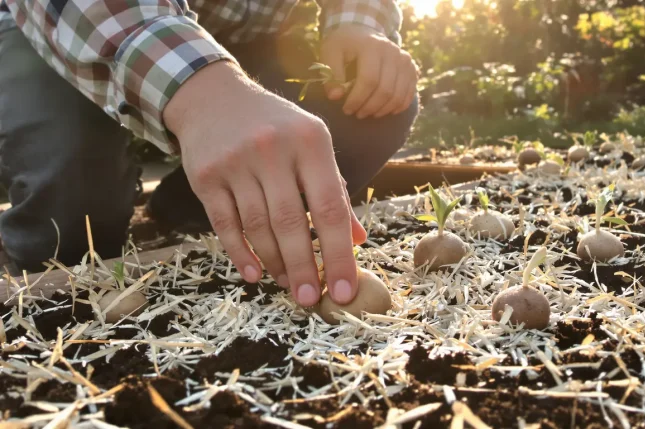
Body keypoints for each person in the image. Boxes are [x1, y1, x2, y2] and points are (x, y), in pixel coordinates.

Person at [0, 0, 419, 308]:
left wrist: (360, 25)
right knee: (72, 212)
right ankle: (33, 268)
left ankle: (188, 214)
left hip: (244, 42)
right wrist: (205, 95)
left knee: (372, 104)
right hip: (49, 24)